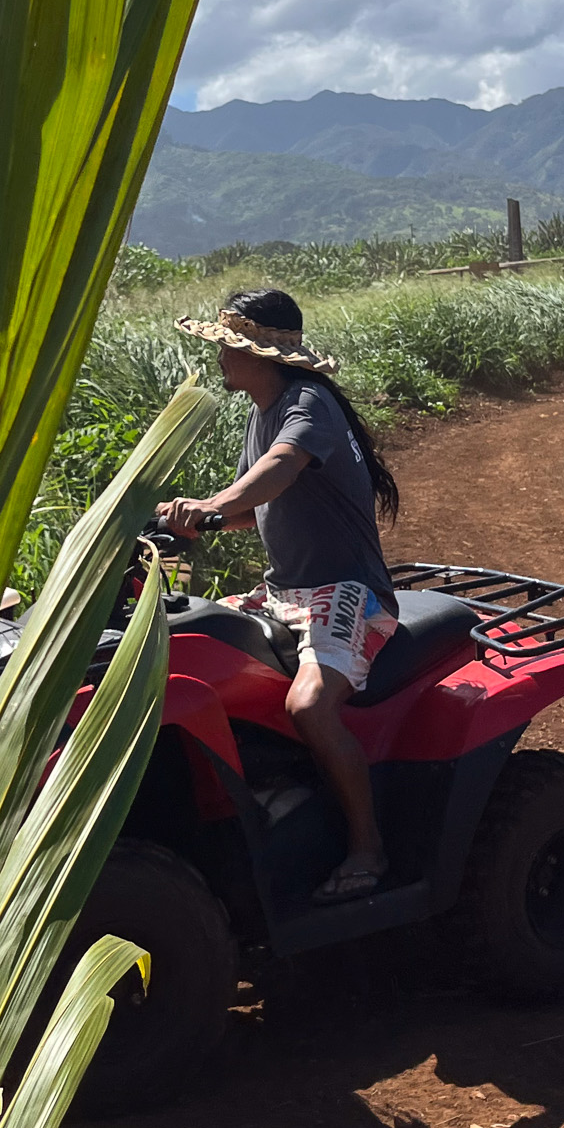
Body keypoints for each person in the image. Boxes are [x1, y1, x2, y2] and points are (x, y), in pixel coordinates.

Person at [161, 288, 400, 904]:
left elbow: (281, 469)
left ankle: (368, 846)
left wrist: (214, 503)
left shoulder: (306, 404)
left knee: (310, 706)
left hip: (347, 593)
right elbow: (256, 503)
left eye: (227, 347)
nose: (219, 358)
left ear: (259, 355)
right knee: (197, 648)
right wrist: (191, 519)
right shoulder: (262, 411)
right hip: (286, 593)